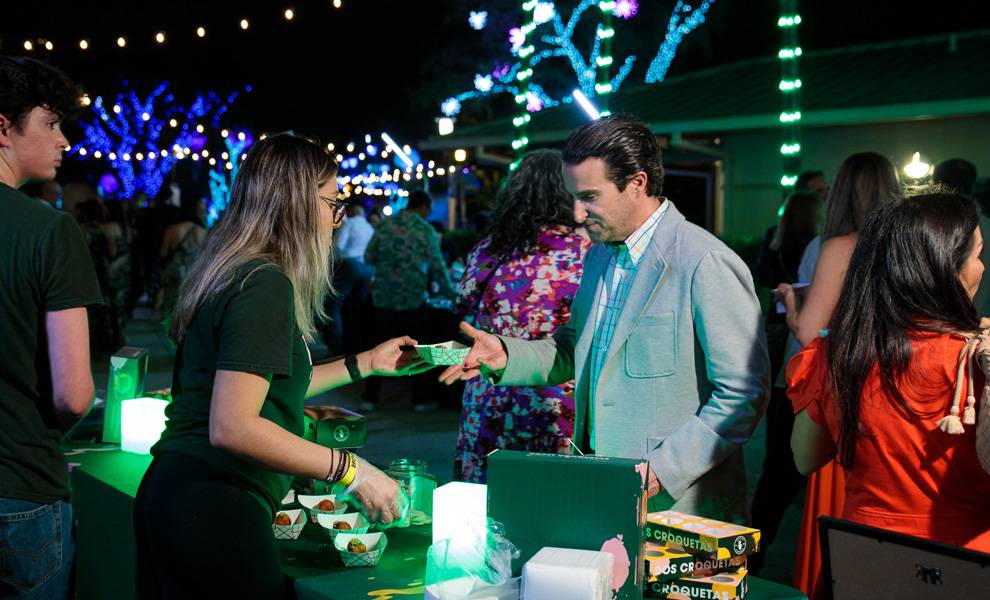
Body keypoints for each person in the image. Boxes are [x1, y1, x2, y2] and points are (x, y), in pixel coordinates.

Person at [133, 134, 431, 599]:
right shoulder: (265, 285)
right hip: (214, 501)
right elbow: (233, 426)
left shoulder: (234, 271)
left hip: (179, 494)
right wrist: (353, 470)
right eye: (332, 204)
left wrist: (366, 363)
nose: (336, 219)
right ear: (297, 204)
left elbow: (270, 386)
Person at [441, 115, 769, 523]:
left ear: (637, 183)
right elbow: (572, 348)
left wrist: (662, 471)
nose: (577, 214)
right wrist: (506, 355)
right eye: (573, 197)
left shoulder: (706, 260)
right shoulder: (598, 254)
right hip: (601, 490)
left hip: (680, 509)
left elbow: (742, 394)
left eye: (589, 197)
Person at [788, 191, 990, 554]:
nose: (982, 268)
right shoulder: (978, 360)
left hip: (865, 555)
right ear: (948, 268)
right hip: (969, 559)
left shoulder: (837, 356)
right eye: (977, 255)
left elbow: (805, 458)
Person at [775, 151, 899, 599]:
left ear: (842, 192)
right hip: (898, 396)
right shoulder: (905, 244)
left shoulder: (842, 246)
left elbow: (811, 333)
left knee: (839, 521)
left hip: (847, 392)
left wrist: (791, 305)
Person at [0, 55, 101, 599]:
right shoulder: (49, 231)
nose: (64, 140)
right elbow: (74, 393)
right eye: (50, 122)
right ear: (3, 128)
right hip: (20, 489)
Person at [453, 149, 593, 483]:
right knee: (551, 497)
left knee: (487, 498)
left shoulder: (489, 249)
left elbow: (461, 304)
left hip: (491, 392)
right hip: (553, 397)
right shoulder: (585, 250)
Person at [749, 191, 821, 572]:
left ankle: (749, 557)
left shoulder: (777, 242)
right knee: (788, 469)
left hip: (784, 355)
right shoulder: (819, 245)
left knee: (776, 472)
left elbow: (764, 284)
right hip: (806, 360)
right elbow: (808, 327)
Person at [362, 190, 456, 412]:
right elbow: (437, 266)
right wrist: (452, 295)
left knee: (377, 347)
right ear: (423, 207)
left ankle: (369, 398)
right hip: (412, 298)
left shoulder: (385, 225)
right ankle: (420, 400)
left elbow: (368, 256)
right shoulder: (425, 229)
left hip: (383, 297)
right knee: (419, 349)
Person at [322, 202, 374, 355]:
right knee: (354, 308)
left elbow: (337, 246)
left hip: (349, 266)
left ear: (351, 211)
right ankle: (354, 345)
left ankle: (336, 347)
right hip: (367, 269)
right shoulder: (370, 227)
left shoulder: (349, 223)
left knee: (333, 306)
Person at [155, 200, 206, 321]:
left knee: (172, 305)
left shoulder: (172, 229)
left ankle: (171, 328)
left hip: (174, 272)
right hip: (193, 274)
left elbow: (163, 253)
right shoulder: (202, 231)